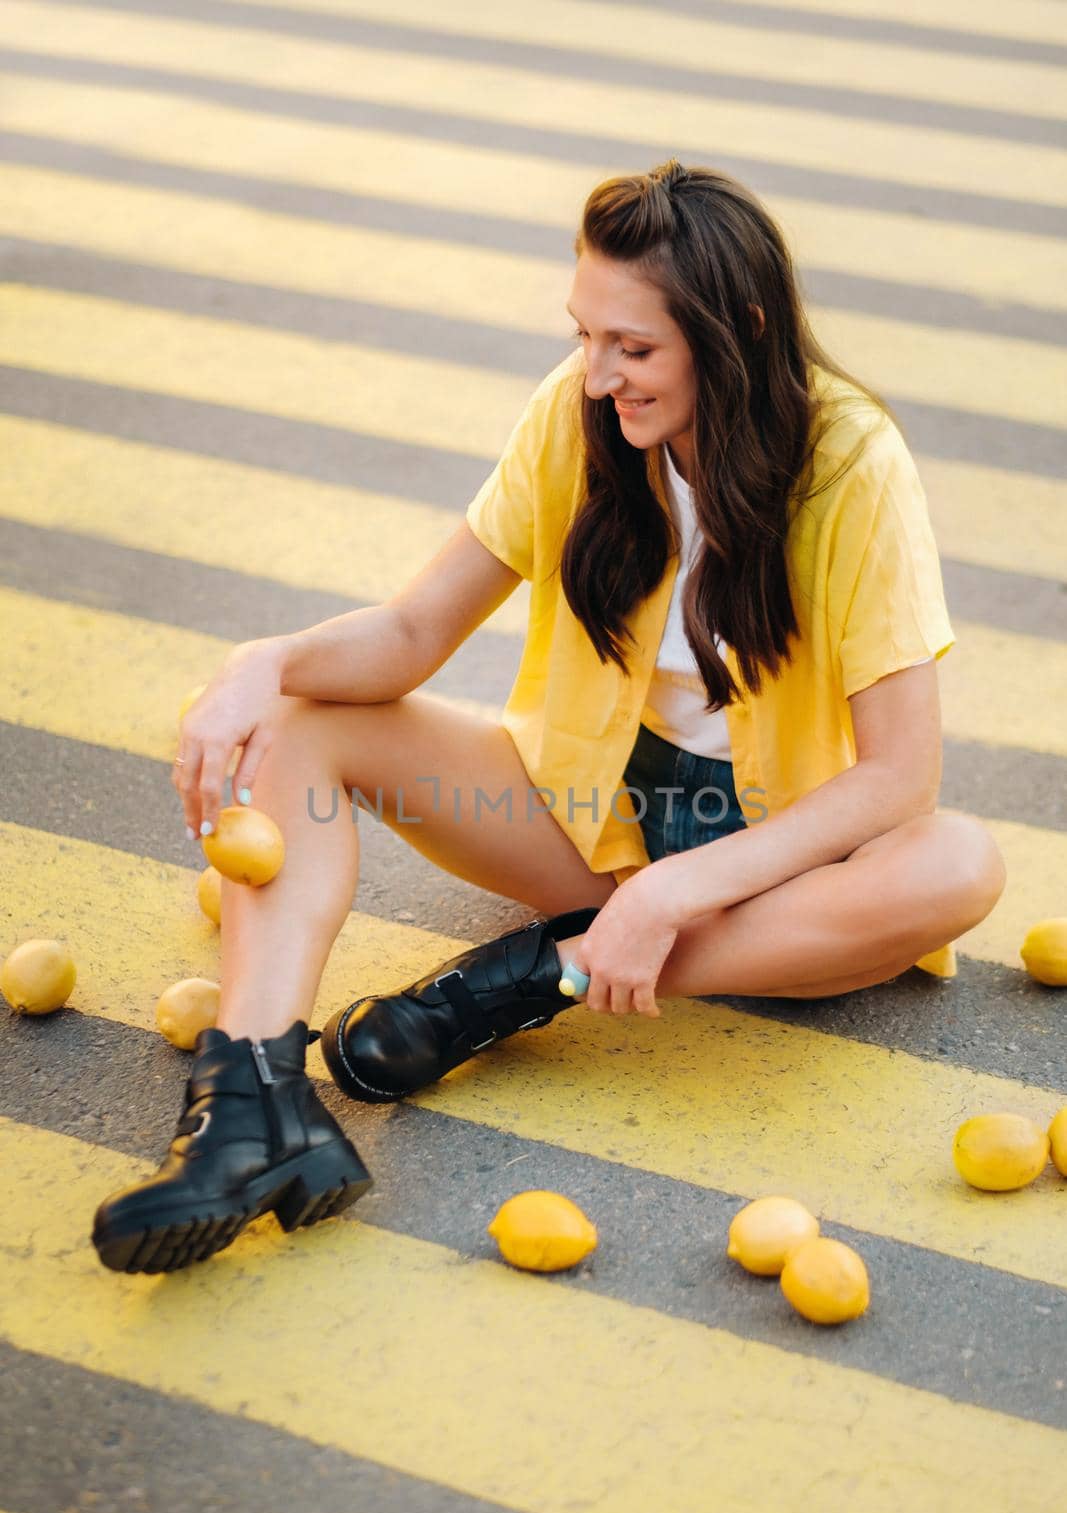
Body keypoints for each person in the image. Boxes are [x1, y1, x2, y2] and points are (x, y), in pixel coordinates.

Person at [91, 159, 1006, 1275]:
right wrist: (261, 660)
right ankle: (252, 1100)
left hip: (780, 874)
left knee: (957, 861)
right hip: (585, 817)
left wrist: (671, 890)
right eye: (584, 336)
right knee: (299, 720)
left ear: (739, 330)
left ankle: (530, 977)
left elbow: (897, 778)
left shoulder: (849, 462)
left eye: (633, 347)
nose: (595, 375)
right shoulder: (574, 419)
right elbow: (409, 635)